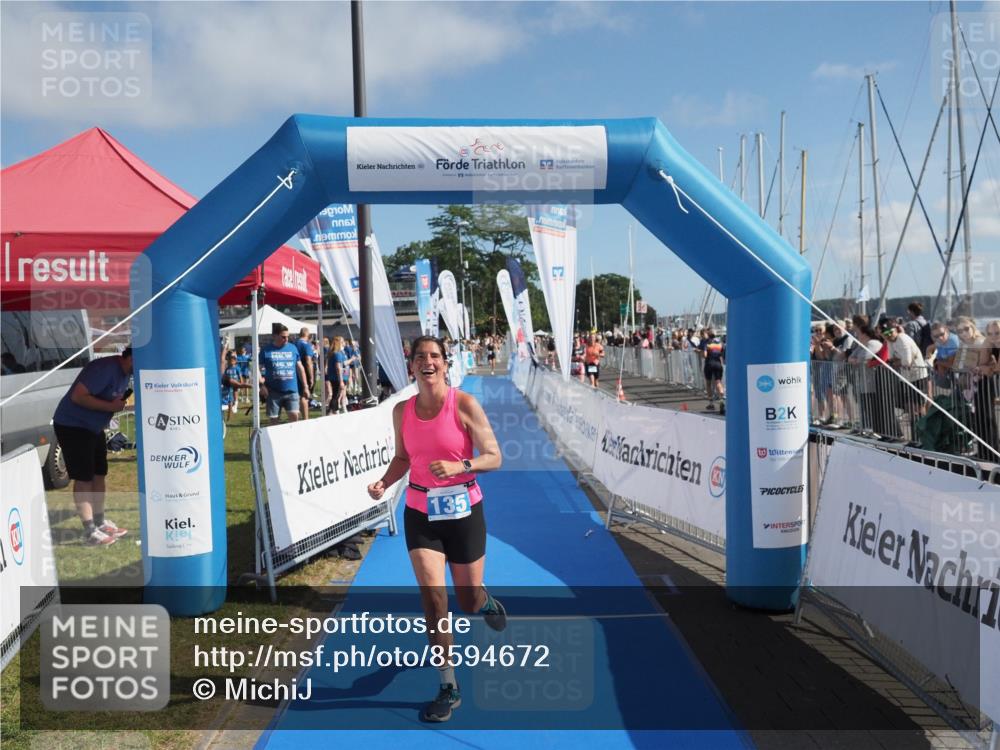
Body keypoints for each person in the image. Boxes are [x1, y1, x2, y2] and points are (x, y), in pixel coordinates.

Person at [366, 336, 505, 723]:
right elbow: (403, 457)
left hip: (464, 511)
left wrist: (462, 466)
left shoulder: (464, 404)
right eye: (420, 357)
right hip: (420, 510)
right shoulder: (401, 411)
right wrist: (384, 483)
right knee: (433, 599)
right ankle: (448, 685)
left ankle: (484, 601)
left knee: (467, 600)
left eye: (434, 356)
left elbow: (494, 456)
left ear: (445, 363)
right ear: (411, 365)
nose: (427, 362)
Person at [52, 347, 133, 546]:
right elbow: (78, 396)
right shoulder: (105, 368)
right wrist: (111, 407)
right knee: (84, 477)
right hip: (73, 425)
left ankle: (99, 522)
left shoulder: (125, 373)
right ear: (131, 357)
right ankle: (90, 531)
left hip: (93, 428)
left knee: (99, 473)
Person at [259, 324, 306, 425]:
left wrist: (305, 386)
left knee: (294, 419)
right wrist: (261, 385)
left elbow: (300, 368)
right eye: (283, 337)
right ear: (275, 336)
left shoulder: (293, 348)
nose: (286, 339)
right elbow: (257, 369)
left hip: (292, 391)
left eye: (287, 336)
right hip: (273, 392)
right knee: (274, 423)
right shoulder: (266, 350)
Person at [221, 350, 250, 424]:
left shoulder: (237, 368)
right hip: (228, 384)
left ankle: (236, 404)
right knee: (230, 397)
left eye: (233, 360)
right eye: (230, 360)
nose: (231, 362)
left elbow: (240, 375)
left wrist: (241, 382)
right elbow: (224, 375)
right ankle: (232, 405)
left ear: (235, 361)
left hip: (236, 383)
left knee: (235, 392)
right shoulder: (227, 368)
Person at [699, 328, 725, 410]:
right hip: (718, 364)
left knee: (708, 383)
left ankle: (711, 403)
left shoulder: (707, 343)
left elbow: (705, 355)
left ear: (708, 335)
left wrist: (700, 352)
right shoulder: (719, 343)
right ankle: (721, 399)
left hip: (709, 364)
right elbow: (722, 354)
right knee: (718, 382)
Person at [294, 327, 316, 419]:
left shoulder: (294, 343)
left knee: (297, 395)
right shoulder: (306, 345)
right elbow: (308, 361)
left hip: (294, 371)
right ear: (307, 334)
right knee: (304, 396)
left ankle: (296, 417)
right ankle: (305, 419)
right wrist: (311, 377)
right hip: (304, 371)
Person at [327, 336, 349, 414]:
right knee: (336, 396)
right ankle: (332, 411)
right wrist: (341, 381)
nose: (344, 343)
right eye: (342, 342)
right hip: (336, 378)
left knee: (336, 395)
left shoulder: (334, 353)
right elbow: (338, 368)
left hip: (334, 377)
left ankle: (333, 411)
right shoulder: (337, 354)